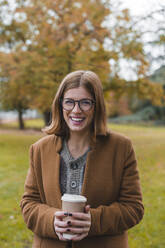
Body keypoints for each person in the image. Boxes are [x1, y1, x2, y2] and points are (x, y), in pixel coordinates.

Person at [20, 70, 144, 248]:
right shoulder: (39, 149)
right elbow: (28, 204)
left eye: (85, 102)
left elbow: (133, 208)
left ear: (97, 105)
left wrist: (93, 221)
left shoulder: (121, 147)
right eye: (69, 102)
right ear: (60, 104)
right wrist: (51, 221)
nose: (76, 110)